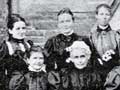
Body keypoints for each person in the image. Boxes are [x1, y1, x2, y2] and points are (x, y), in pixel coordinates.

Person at [44, 8, 90, 90]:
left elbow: (90, 62)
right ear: (58, 24)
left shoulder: (83, 40)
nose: (65, 24)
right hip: (60, 82)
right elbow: (48, 66)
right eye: (62, 22)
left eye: (68, 21)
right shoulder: (51, 42)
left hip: (81, 81)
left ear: (73, 22)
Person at [0, 14, 33, 90]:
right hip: (14, 85)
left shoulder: (29, 45)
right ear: (10, 30)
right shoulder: (6, 47)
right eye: (18, 29)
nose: (21, 31)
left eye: (23, 28)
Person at [90, 3, 120, 84]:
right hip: (98, 71)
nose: (104, 17)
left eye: (107, 14)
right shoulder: (91, 36)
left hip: (115, 71)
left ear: (110, 16)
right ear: (96, 16)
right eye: (101, 14)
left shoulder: (116, 35)